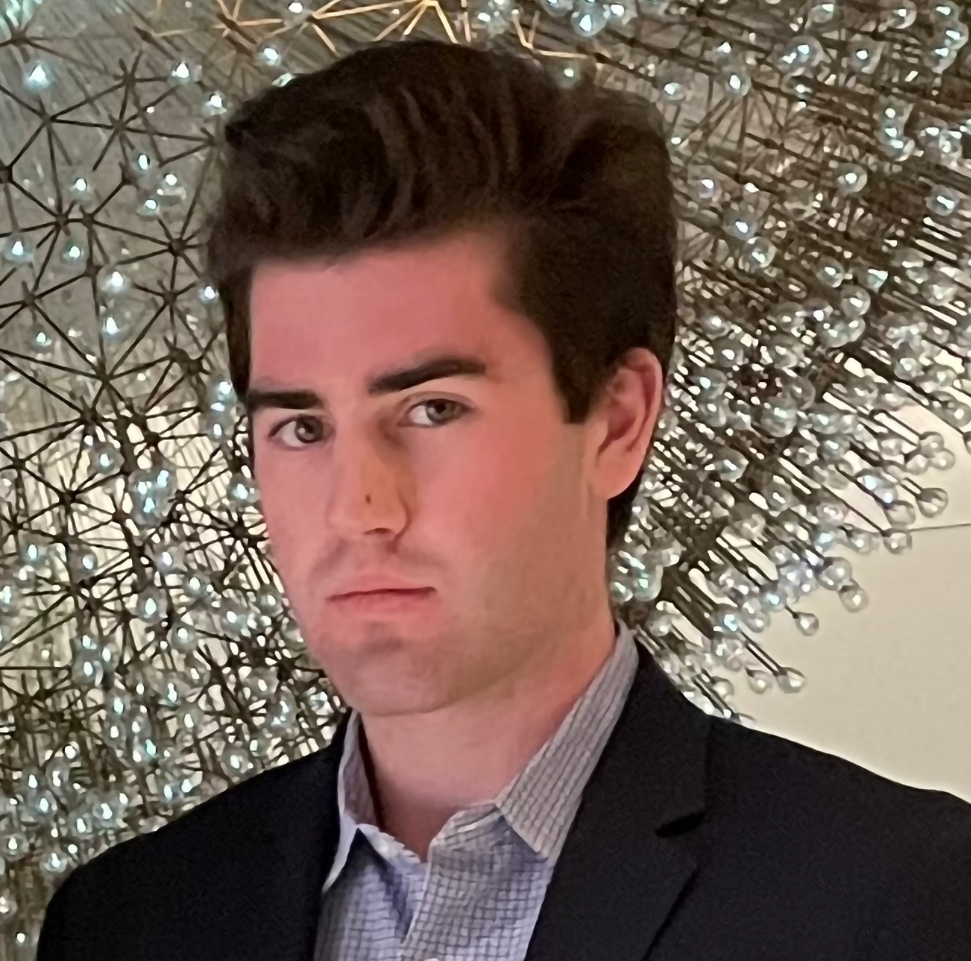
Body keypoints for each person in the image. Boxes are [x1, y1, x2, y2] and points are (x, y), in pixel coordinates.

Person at [38, 37, 971, 961]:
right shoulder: (128, 921)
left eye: (432, 409)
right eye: (302, 427)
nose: (359, 507)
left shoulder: (892, 901)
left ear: (615, 422)